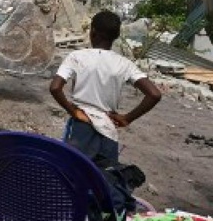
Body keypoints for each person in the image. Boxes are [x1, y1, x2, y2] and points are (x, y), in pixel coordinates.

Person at [49, 11, 162, 165]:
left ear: (92, 31)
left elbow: (55, 88)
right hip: (108, 129)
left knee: (73, 174)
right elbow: (154, 94)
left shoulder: (77, 57)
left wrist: (73, 111)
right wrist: (127, 118)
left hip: (82, 126)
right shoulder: (124, 63)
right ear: (116, 36)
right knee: (104, 179)